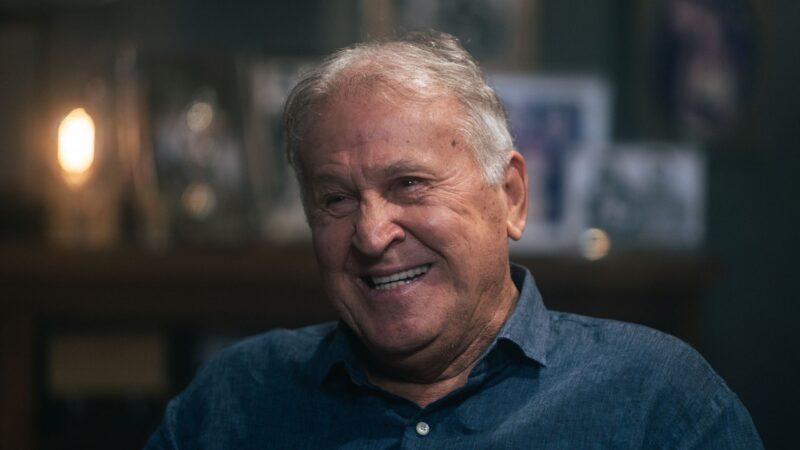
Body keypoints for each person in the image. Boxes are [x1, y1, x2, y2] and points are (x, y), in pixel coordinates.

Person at [145, 31, 762, 449]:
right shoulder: (233, 402)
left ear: (510, 197)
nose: (371, 234)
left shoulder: (657, 400)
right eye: (336, 199)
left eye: (410, 184)